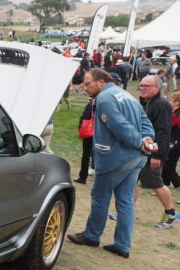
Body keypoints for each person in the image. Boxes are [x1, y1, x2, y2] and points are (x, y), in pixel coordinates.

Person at [67, 68, 155, 258]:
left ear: (101, 82)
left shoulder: (104, 98)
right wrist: (147, 139)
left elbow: (118, 125)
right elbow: (145, 121)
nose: (85, 88)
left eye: (88, 84)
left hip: (117, 157)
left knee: (100, 197)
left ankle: (92, 236)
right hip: (136, 157)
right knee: (126, 200)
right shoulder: (126, 94)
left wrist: (140, 142)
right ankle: (123, 245)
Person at [135, 75, 176, 228]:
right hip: (144, 150)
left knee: (156, 183)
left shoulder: (162, 104)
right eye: (141, 85)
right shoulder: (149, 101)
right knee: (132, 180)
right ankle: (126, 212)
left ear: (156, 88)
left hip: (154, 152)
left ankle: (171, 214)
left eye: (146, 86)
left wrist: (157, 155)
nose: (142, 88)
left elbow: (163, 131)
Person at [161, 91, 180, 199]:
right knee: (166, 167)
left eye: (172, 100)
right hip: (173, 143)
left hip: (175, 145)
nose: (169, 101)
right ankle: (164, 189)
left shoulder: (176, 115)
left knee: (169, 169)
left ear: (177, 102)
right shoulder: (174, 113)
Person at [74, 94, 96, 184]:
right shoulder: (106, 103)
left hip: (90, 132)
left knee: (86, 155)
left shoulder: (91, 104)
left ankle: (83, 177)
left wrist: (80, 128)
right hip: (101, 133)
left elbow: (84, 118)